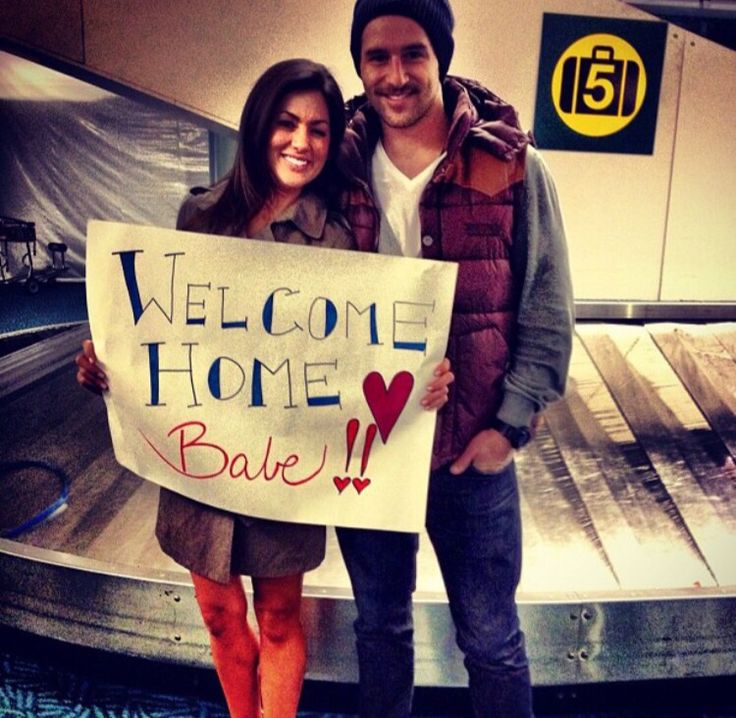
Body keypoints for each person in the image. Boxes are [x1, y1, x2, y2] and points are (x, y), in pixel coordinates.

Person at [76, 57, 452, 718]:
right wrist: (109, 361)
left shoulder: (337, 239)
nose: (301, 142)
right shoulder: (197, 216)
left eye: (318, 129)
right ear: (258, 126)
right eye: (286, 123)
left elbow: (362, 354)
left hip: (286, 463)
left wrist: (422, 374)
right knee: (220, 614)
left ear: (334, 141)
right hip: (200, 456)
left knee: (278, 618)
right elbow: (158, 332)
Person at [335, 2, 575, 717]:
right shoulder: (335, 168)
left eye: (414, 54)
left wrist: (510, 424)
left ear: (440, 57)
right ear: (359, 63)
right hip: (369, 449)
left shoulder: (512, 166)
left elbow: (547, 305)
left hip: (471, 452)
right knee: (379, 631)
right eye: (377, 56)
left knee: (492, 640)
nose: (396, 74)